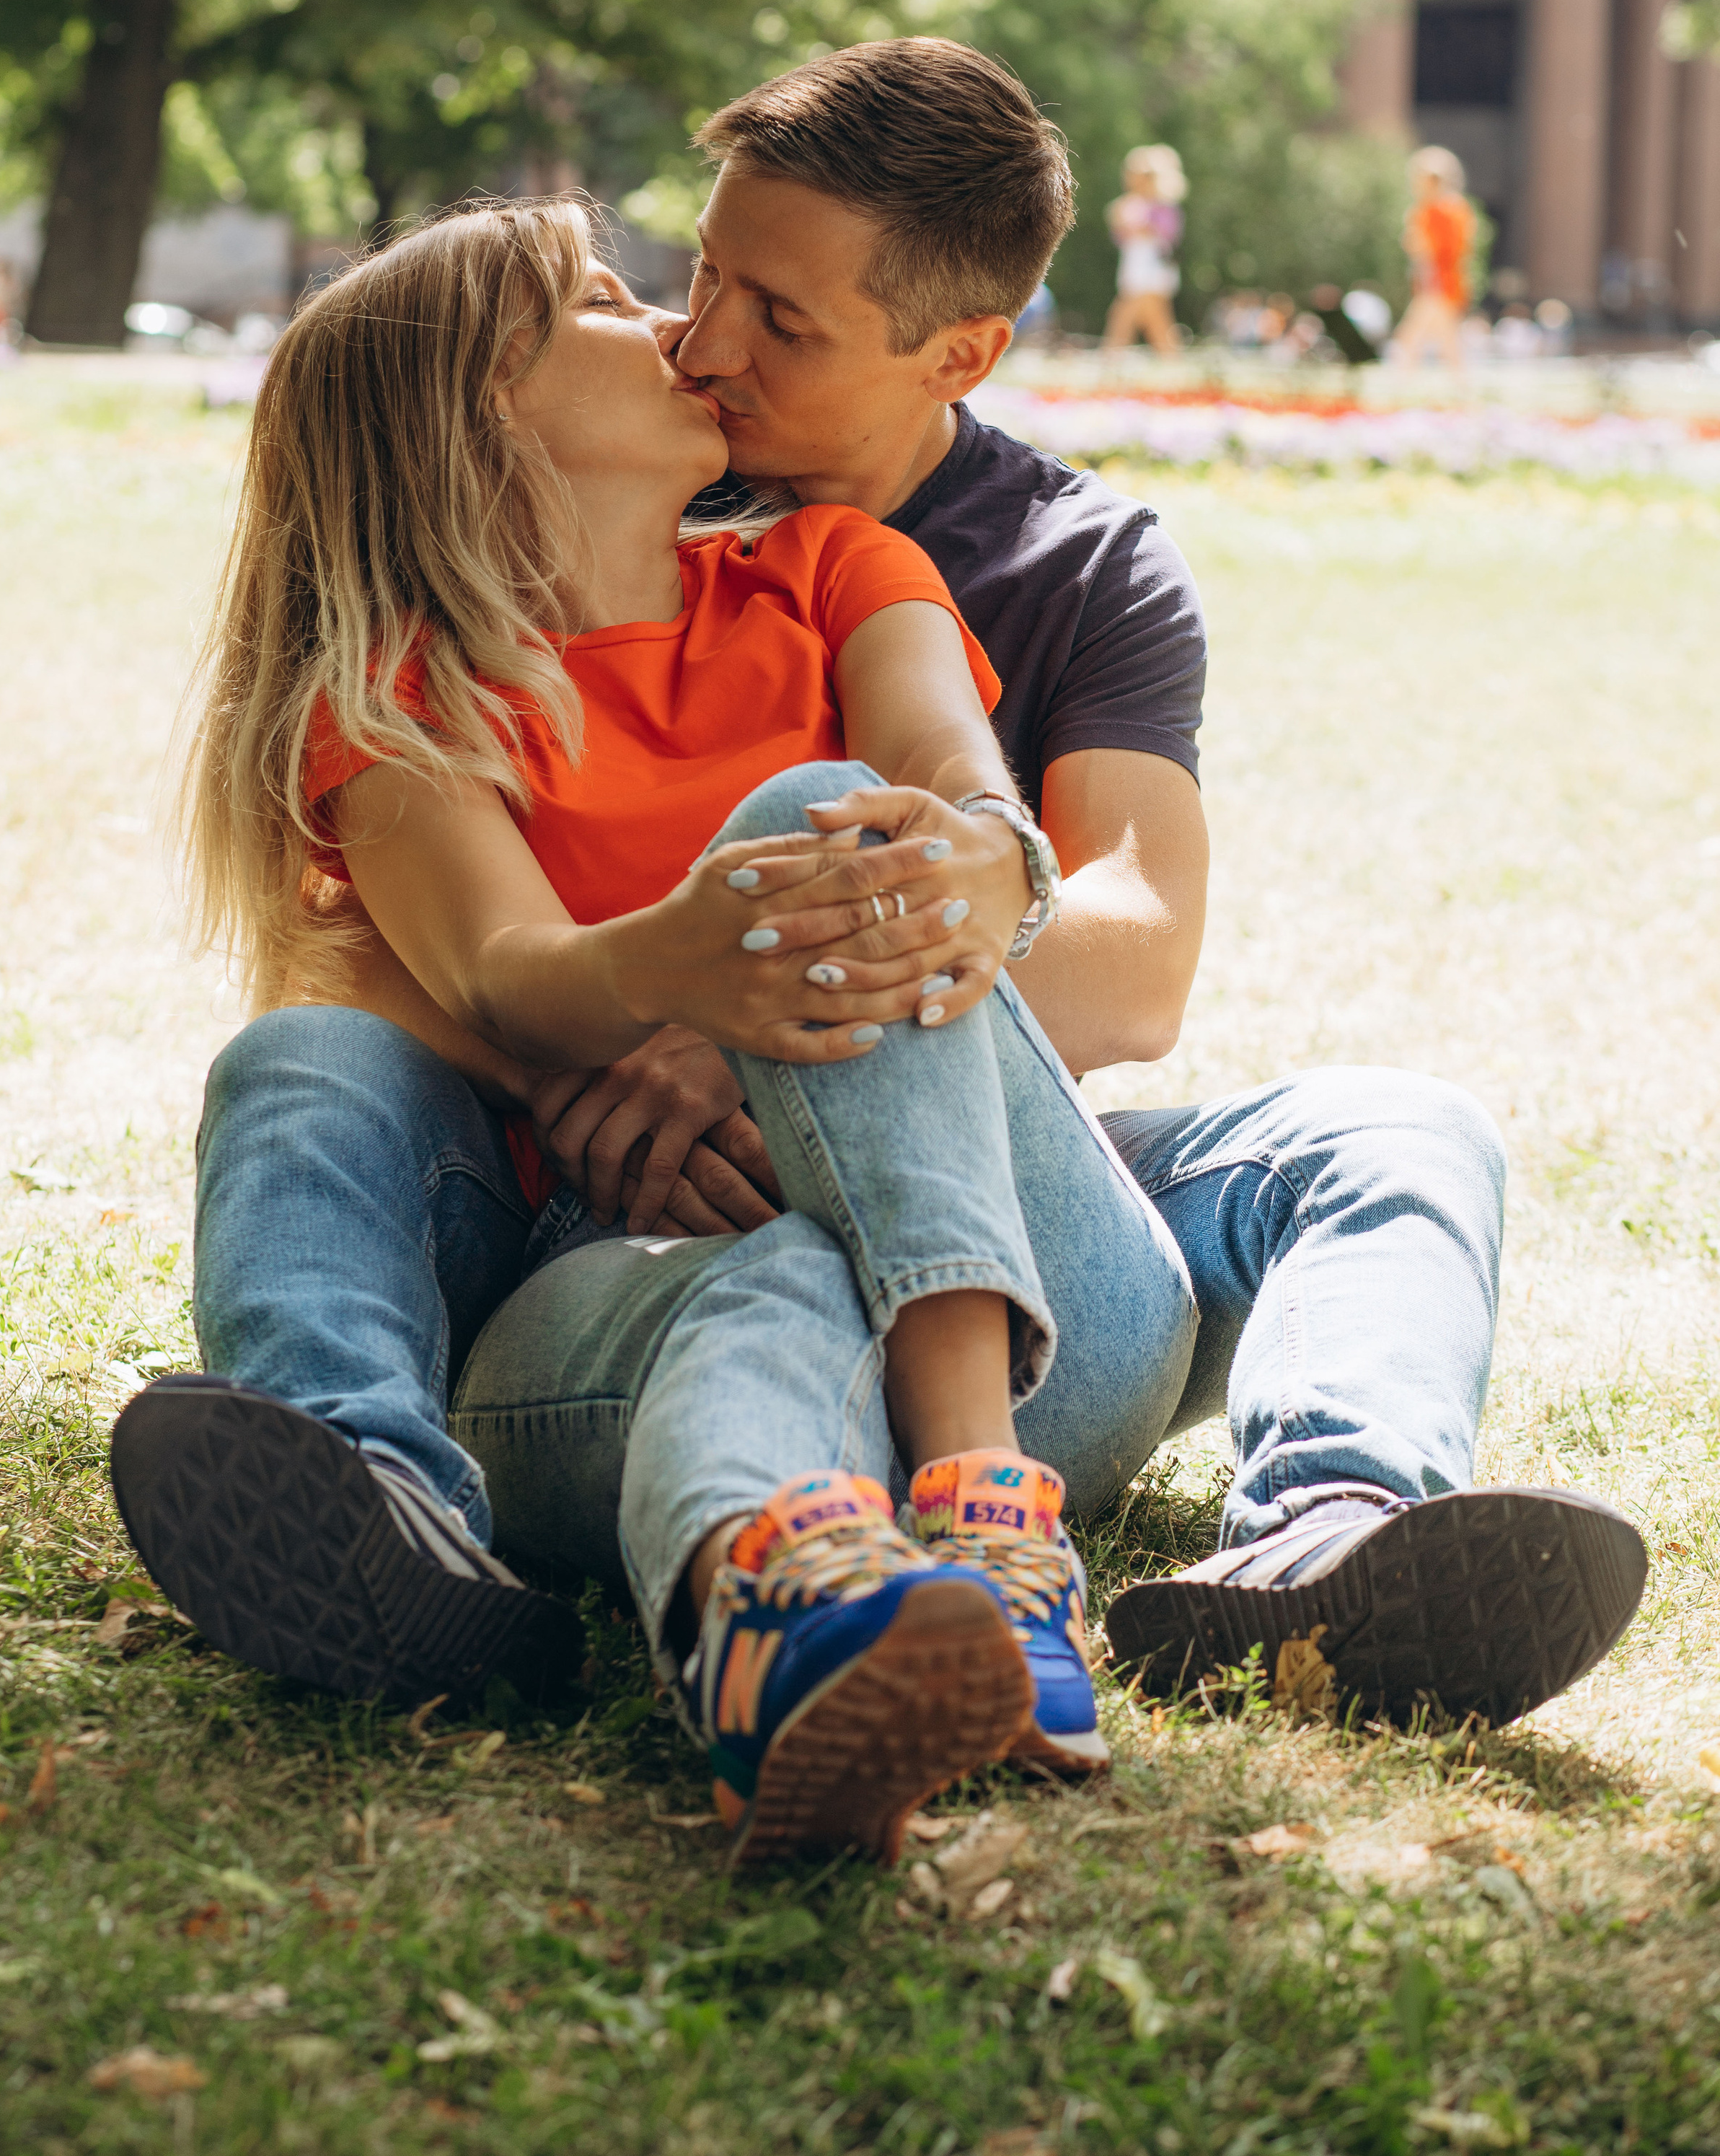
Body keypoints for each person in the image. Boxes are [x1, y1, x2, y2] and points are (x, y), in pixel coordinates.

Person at [454, 42, 1641, 1735]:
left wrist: (760, 1011)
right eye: (703, 270)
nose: (699, 343)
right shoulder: (617, 476)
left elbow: (1139, 956)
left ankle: (1326, 1540)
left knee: (1403, 1129)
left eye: (777, 320)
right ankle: (837, 1556)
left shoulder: (1078, 564)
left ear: (961, 352)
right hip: (666, 1233)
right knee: (839, 844)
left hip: (999, 1219)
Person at [115, 196, 1183, 1864]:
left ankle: (985, 1509)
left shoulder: (837, 569)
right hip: (649, 1279)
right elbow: (496, 970)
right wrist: (679, 964)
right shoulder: (404, 691)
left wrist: (949, 861)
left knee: (837, 815)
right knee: (308, 1067)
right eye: (613, 302)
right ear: (487, 404)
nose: (685, 333)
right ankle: (471, 1538)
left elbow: (949, 781)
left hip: (1032, 1298)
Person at [1393, 147, 1476, 371]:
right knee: (1446, 343)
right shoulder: (1457, 209)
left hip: (1437, 285)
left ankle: (1400, 385)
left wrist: (1429, 280)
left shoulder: (1435, 211)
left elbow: (1430, 253)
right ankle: (1462, 388)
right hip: (1447, 284)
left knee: (1410, 339)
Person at [1103, 145, 1186, 353]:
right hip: (1136, 264)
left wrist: (1141, 226)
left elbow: (1168, 234)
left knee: (1125, 313)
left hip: (1153, 267)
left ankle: (1111, 355)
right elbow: (1121, 237)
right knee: (1157, 320)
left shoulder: (1164, 205)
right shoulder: (1129, 204)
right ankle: (1171, 359)